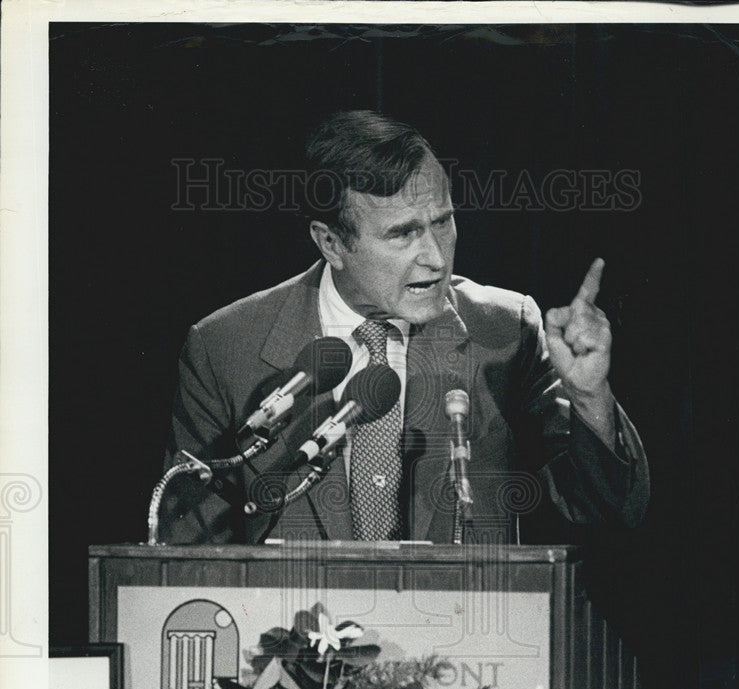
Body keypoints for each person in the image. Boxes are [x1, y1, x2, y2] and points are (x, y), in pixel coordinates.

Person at [163, 110, 649, 545]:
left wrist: (588, 397)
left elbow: (607, 511)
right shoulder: (225, 348)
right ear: (331, 243)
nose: (435, 258)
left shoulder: (506, 333)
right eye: (402, 234)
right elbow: (189, 552)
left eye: (442, 222)